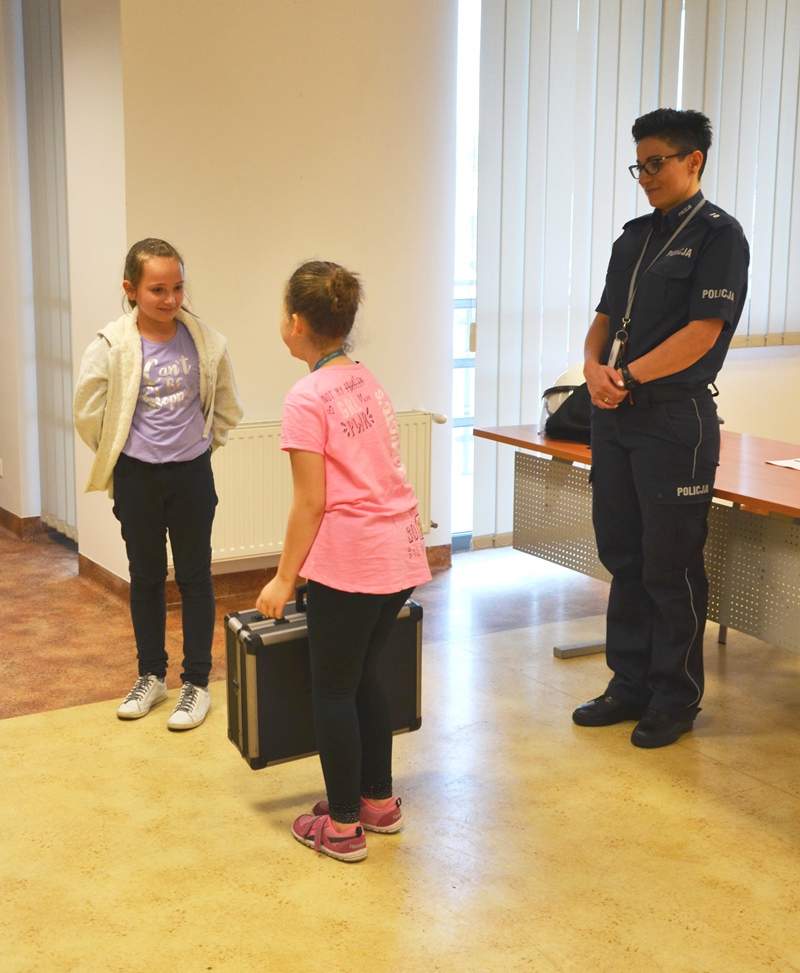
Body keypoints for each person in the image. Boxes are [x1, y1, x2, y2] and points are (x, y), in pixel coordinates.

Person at [573, 109, 750, 748]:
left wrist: (626, 376)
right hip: (616, 416)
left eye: (657, 163)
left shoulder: (718, 236)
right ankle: (629, 684)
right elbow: (604, 316)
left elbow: (703, 333)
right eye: (639, 165)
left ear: (693, 160)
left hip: (674, 419)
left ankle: (675, 697)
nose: (645, 176)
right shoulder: (634, 237)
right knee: (623, 556)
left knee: (669, 566)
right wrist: (591, 368)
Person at [256, 260, 431, 862]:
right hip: (399, 552)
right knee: (363, 678)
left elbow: (312, 501)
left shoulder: (306, 396)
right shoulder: (365, 379)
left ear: (296, 324)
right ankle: (377, 801)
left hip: (354, 560)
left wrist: (284, 578)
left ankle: (344, 826)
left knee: (331, 690)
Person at [74, 238, 243, 730]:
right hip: (137, 478)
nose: (170, 299)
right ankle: (151, 675)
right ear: (131, 289)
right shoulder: (111, 346)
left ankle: (196, 683)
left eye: (177, 288)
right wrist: (121, 452)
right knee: (146, 577)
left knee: (194, 577)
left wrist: (201, 448)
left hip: (191, 475)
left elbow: (226, 405)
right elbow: (88, 412)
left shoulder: (205, 341)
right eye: (157, 290)